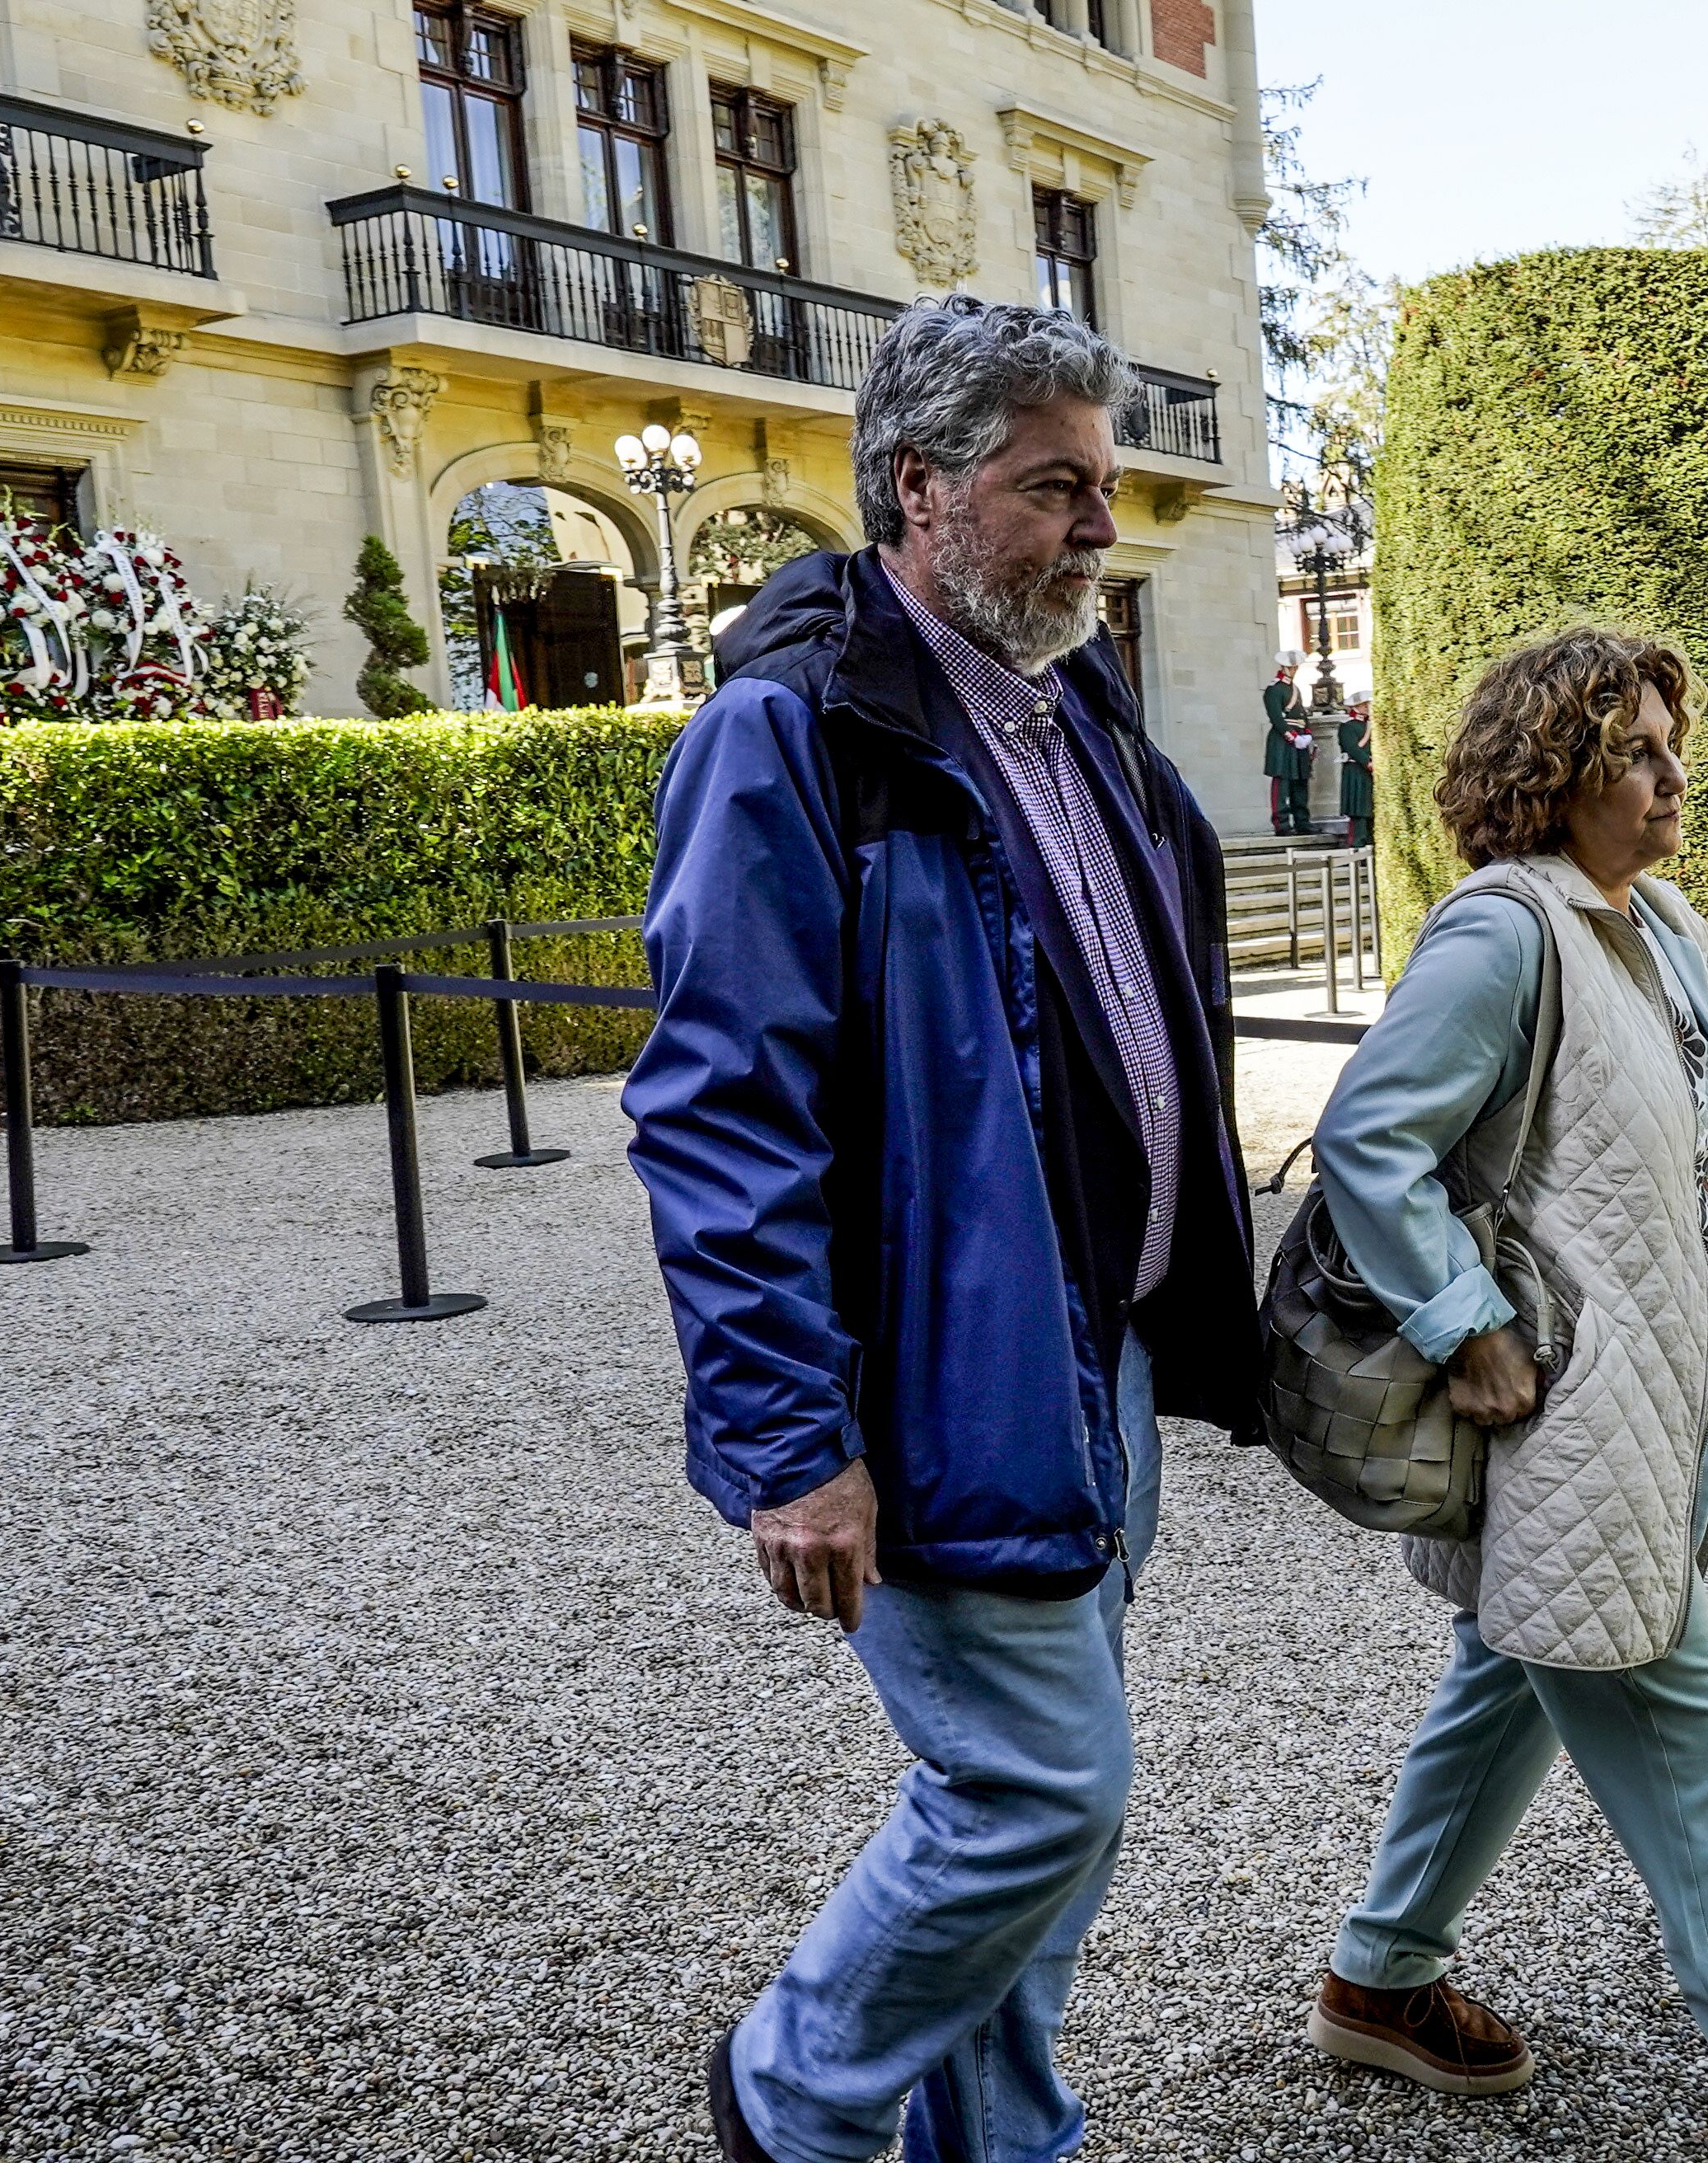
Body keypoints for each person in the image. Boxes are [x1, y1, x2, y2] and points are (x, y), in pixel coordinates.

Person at [625, 297, 1260, 2163]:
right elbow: (715, 1107)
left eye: (1106, 485)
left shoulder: (1073, 712)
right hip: (943, 1384)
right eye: (1055, 485)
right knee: (1038, 1785)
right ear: (917, 487)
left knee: (1052, 1803)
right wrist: (791, 1438)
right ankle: (793, 2092)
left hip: (1103, 1360)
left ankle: (996, 2140)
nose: (1099, 527)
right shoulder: (791, 734)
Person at [1304, 628, 1708, 2163]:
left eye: (1672, 744)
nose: (1673, 776)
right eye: (1638, 752)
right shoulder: (1505, 934)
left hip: (1649, 1387)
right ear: (1556, 776)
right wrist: (1464, 1321)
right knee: (1688, 1731)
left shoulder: (1653, 928)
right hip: (1565, 1413)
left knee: (1509, 1676)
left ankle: (1380, 1975)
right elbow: (1366, 1137)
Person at [1265, 665, 1313, 835]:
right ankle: (1282, 823)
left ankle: (1302, 821)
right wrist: (1291, 736)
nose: (1294, 671)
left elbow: (1302, 715)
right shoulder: (1274, 689)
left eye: (1295, 668)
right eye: (1291, 668)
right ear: (1283, 668)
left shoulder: (1295, 689)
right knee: (1282, 782)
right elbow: (1276, 717)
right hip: (1283, 740)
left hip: (1299, 738)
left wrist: (1307, 733)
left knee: (1300, 781)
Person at [1339, 695, 1375, 849]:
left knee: (1369, 808)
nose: (1367, 708)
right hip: (1356, 770)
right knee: (1358, 809)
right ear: (1356, 707)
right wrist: (1368, 762)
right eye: (1364, 705)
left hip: (1369, 771)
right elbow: (1353, 748)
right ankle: (1356, 844)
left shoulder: (1370, 725)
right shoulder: (1347, 726)